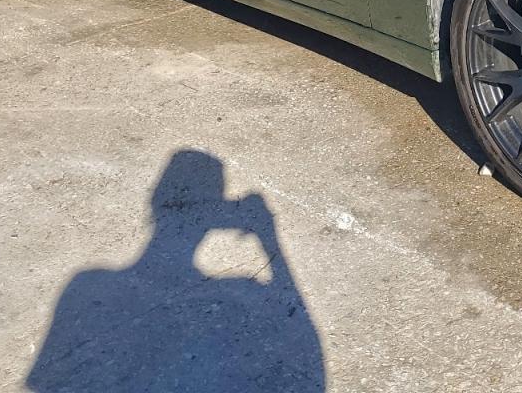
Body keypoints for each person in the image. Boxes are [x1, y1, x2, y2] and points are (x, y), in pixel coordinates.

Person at [27, 149, 325, 392]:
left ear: (154, 205)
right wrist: (267, 234)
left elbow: (43, 381)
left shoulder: (87, 286)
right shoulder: (239, 295)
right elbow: (310, 357)